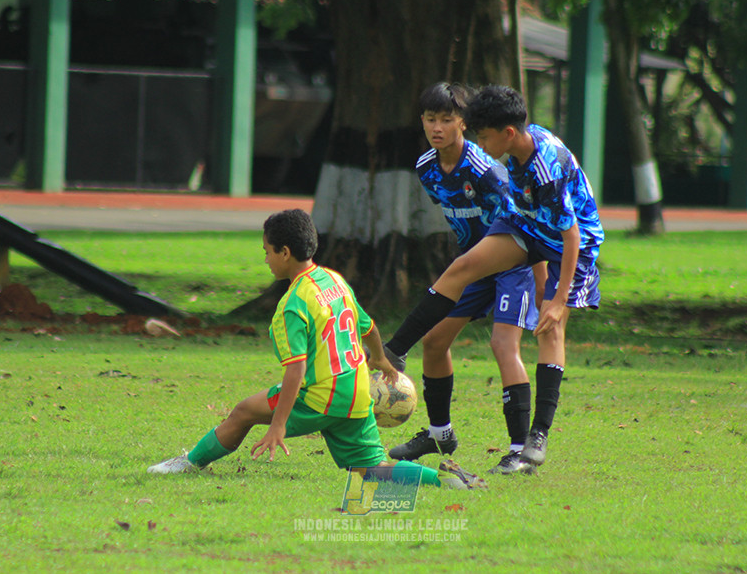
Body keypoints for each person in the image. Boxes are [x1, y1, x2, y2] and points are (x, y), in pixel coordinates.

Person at [147, 209, 486, 491]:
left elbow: (295, 370)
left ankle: (189, 463)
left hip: (318, 397)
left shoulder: (292, 306)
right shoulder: (333, 280)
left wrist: (278, 425)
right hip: (356, 394)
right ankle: (447, 480)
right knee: (374, 470)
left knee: (243, 413)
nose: (265, 260)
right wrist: (380, 358)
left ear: (284, 253)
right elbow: (367, 326)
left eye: (267, 251)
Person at [384, 84, 604, 470]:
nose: (479, 143)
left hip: (573, 242)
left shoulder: (538, 169)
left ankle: (531, 441)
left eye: (482, 136)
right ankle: (395, 352)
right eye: (431, 120)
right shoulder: (508, 146)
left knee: (547, 331)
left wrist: (553, 298)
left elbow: (569, 235)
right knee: (460, 271)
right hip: (528, 225)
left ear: (505, 134)